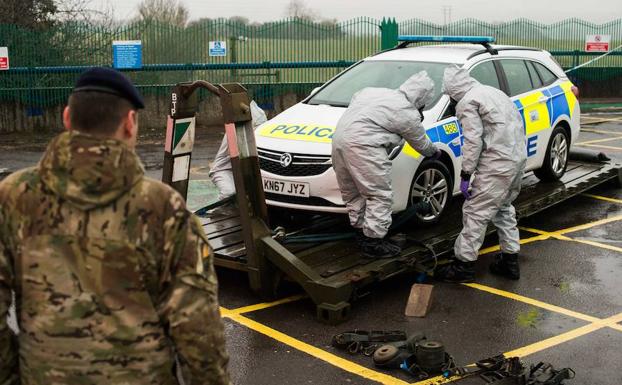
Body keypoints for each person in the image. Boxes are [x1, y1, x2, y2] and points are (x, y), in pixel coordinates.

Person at [0, 67, 231, 385]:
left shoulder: (13, 197)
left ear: (67, 118)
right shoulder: (164, 208)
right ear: (129, 123)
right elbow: (198, 330)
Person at [332, 71, 441, 259]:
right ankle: (373, 242)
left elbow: (358, 99)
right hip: (364, 147)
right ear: (420, 99)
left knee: (352, 193)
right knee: (379, 195)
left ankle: (361, 231)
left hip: (338, 141)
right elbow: (421, 143)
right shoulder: (407, 112)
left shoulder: (372, 92)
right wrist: (434, 152)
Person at [435, 66, 527, 283]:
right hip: (516, 159)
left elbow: (473, 141)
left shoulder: (468, 102)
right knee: (503, 208)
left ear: (453, 89)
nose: (451, 99)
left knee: (475, 212)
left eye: (450, 94)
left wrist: (466, 173)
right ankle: (510, 260)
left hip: (496, 164)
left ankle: (463, 266)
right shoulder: (493, 93)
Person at [210, 100, 267, 200]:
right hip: (224, 170)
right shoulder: (238, 133)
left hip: (240, 170)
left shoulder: (250, 130)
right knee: (230, 194)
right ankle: (219, 212)